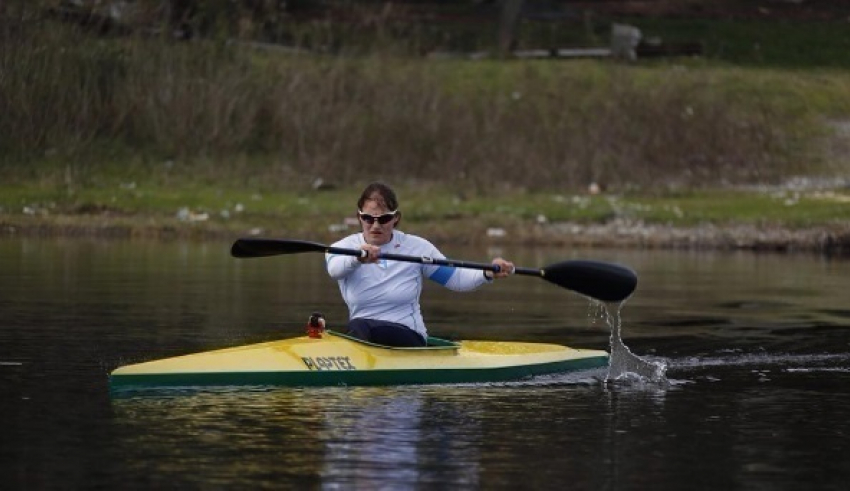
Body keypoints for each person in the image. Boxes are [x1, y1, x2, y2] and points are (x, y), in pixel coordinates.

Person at [326, 182, 514, 347]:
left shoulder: (417, 248)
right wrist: (357, 258)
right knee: (354, 325)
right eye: (368, 218)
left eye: (383, 219)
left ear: (396, 218)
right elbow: (334, 271)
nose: (375, 225)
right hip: (364, 337)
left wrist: (487, 273)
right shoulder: (343, 248)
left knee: (359, 325)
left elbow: (455, 279)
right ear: (359, 217)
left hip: (408, 336)